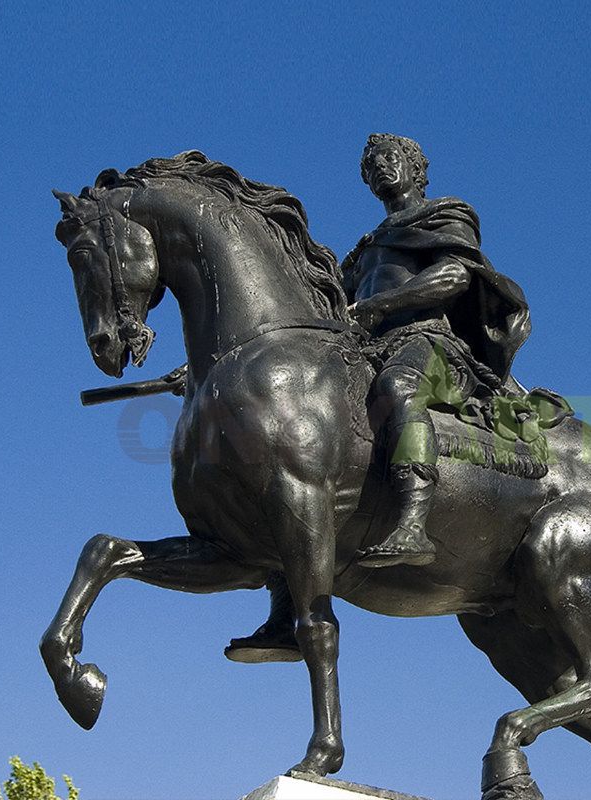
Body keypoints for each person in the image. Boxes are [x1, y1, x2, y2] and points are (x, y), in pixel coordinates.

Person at [225, 133, 531, 661]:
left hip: (431, 346)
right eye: (372, 167)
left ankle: (413, 519)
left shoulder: (444, 214)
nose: (382, 169)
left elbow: (455, 276)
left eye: (392, 159)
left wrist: (379, 306)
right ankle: (284, 608)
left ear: (416, 168)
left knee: (398, 388)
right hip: (367, 349)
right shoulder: (363, 250)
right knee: (300, 439)